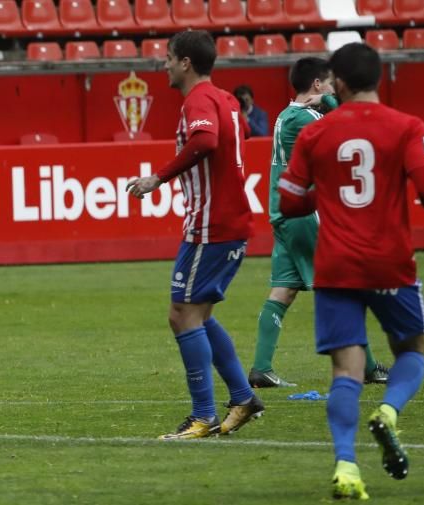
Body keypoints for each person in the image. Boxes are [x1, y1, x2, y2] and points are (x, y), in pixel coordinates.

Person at [278, 43, 424, 500]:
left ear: (340, 82)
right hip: (390, 261)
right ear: (377, 79)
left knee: (346, 371)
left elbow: (289, 201)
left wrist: (327, 193)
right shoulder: (407, 127)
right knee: (413, 349)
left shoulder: (318, 132)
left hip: (335, 265)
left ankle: (347, 466)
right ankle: (390, 411)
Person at [125, 30, 264, 440]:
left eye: (168, 57)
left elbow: (206, 139)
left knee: (181, 314)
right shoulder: (225, 99)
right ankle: (242, 396)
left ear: (185, 62)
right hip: (225, 221)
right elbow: (237, 138)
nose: (163, 64)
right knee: (198, 315)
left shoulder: (198, 100)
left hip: (212, 225)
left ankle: (203, 414)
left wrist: (158, 178)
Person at [249, 57, 389, 388]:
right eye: (329, 83)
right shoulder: (306, 117)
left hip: (283, 214)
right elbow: (351, 124)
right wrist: (327, 102)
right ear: (316, 84)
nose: (333, 88)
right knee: (344, 288)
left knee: (283, 290)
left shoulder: (286, 115)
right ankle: (368, 367)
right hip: (304, 216)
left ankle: (261, 368)